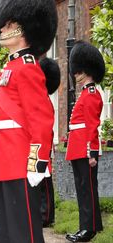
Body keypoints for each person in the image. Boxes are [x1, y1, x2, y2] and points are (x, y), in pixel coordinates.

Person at [0, 0, 57, 242]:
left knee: (23, 230)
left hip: (19, 160)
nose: (2, 30)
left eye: (9, 25)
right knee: (7, 229)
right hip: (2, 159)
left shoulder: (27, 68)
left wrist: (37, 162)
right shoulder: (11, 66)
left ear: (25, 29)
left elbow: (41, 118)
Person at [65, 41, 104, 242]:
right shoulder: (85, 93)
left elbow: (91, 126)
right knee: (86, 188)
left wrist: (92, 152)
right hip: (78, 146)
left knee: (85, 189)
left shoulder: (90, 94)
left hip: (84, 150)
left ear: (86, 70)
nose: (76, 75)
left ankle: (87, 229)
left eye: (78, 71)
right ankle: (93, 225)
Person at [39, 57, 61, 228]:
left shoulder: (43, 99)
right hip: (43, 141)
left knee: (45, 180)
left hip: (44, 143)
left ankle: (46, 215)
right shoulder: (41, 98)